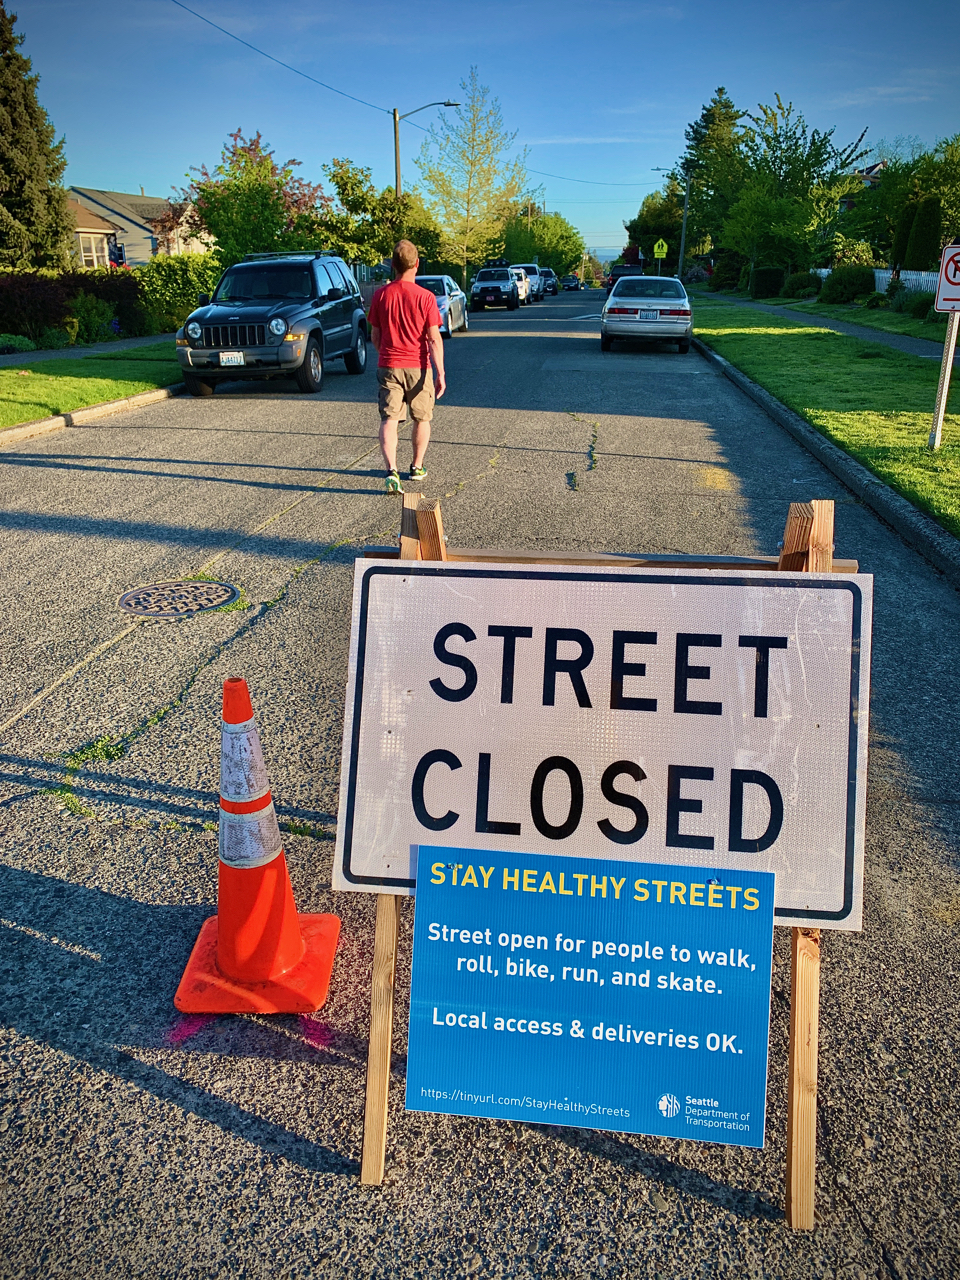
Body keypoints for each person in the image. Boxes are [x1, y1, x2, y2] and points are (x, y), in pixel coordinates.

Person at [368, 240, 446, 494]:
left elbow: (375, 336)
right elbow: (434, 338)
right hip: (419, 366)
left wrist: (386, 356)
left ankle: (391, 470)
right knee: (422, 417)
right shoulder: (426, 297)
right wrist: (440, 372)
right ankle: (416, 467)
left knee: (389, 418)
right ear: (417, 264)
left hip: (388, 364)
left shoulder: (381, 295)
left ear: (392, 265)